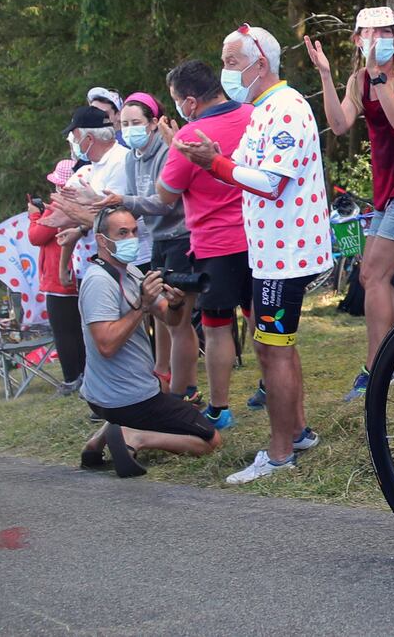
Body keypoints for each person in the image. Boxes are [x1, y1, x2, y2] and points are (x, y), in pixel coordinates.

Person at [175, 24, 329, 483]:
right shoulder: (260, 109)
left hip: (286, 255)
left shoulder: (286, 108)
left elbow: (271, 181)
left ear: (260, 64)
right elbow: (244, 167)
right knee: (275, 348)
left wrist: (214, 162)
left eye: (231, 63)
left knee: (272, 351)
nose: (225, 73)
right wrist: (214, 155)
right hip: (269, 252)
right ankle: (297, 433)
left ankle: (280, 454)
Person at [306, 6, 394, 401]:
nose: (378, 40)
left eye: (385, 34)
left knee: (374, 274)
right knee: (371, 277)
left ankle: (375, 370)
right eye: (369, 34)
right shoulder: (358, 80)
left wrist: (379, 74)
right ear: (357, 40)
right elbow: (338, 124)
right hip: (390, 191)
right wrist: (326, 76)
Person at [76, 205, 223, 477]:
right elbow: (106, 345)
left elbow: (173, 321)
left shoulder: (129, 271)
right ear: (101, 240)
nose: (130, 238)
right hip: (127, 399)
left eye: (133, 231)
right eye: (122, 233)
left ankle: (103, 436)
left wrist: (179, 303)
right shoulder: (98, 282)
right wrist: (141, 307)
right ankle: (134, 437)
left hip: (110, 396)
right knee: (210, 439)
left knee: (164, 388)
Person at [157, 60, 254, 428]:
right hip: (259, 236)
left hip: (216, 242)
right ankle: (269, 384)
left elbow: (166, 194)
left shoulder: (189, 136)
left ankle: (219, 406)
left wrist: (174, 146)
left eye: (177, 100)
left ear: (191, 101)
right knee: (261, 319)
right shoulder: (253, 114)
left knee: (216, 326)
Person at [113, 93, 196, 400]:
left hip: (181, 237)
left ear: (151, 124)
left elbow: (164, 202)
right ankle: (166, 378)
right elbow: (136, 206)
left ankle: (184, 390)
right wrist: (99, 210)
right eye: (124, 124)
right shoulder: (129, 158)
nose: (129, 129)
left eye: (136, 122)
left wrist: (121, 201)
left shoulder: (167, 150)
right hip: (158, 241)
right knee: (163, 315)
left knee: (180, 318)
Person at [26, 159, 85, 394]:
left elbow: (36, 236)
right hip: (75, 274)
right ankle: (84, 373)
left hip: (58, 279)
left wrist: (33, 216)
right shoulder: (84, 202)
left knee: (64, 331)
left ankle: (72, 377)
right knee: (79, 330)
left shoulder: (59, 208)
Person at [62, 104, 128, 195]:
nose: (75, 143)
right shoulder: (97, 164)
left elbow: (113, 205)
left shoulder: (120, 162)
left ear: (89, 139)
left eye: (76, 139)